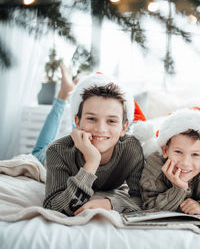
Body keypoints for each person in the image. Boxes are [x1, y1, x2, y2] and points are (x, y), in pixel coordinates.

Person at [43, 72, 147, 216]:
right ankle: (63, 94)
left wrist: (110, 204)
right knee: (40, 150)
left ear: (124, 127)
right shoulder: (58, 151)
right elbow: (54, 207)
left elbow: (144, 199)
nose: (100, 129)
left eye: (111, 121)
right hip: (47, 158)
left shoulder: (131, 148)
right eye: (91, 118)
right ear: (77, 122)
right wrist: (92, 162)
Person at [32, 64, 75, 164]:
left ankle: (66, 94)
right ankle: (67, 95)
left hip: (55, 161)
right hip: (61, 161)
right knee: (39, 152)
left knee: (38, 152)